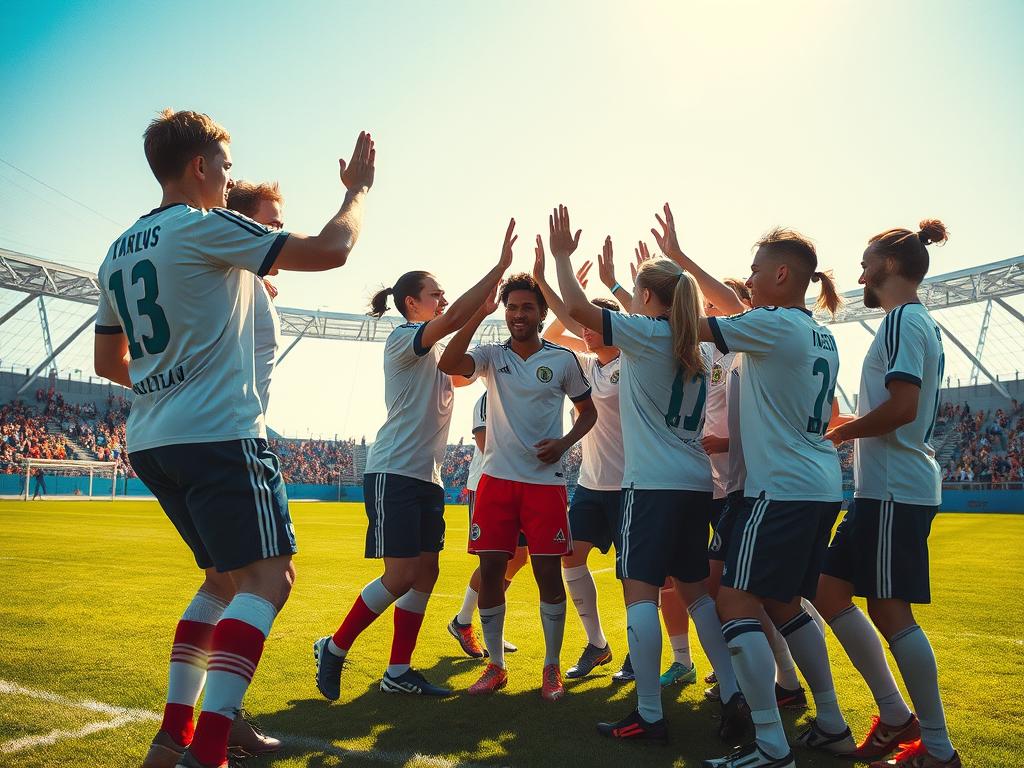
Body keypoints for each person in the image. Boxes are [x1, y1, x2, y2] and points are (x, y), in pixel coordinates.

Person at [95, 108, 375, 768]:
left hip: (154, 438)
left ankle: (174, 735)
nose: (227, 180)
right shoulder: (202, 226)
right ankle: (209, 750)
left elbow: (110, 366)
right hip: (217, 432)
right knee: (269, 580)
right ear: (198, 167)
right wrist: (358, 190)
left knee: (224, 579)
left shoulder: (117, 251)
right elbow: (333, 251)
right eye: (223, 167)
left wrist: (166, 378)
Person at [549, 205, 742, 744]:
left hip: (651, 486)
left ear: (649, 299)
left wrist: (563, 259)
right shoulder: (698, 343)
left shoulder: (646, 336)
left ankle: (651, 713)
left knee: (639, 594)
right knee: (698, 594)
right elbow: (634, 313)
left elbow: (577, 310)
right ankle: (732, 694)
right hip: (695, 481)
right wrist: (619, 279)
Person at [314, 222, 517, 699]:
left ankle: (397, 671)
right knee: (401, 574)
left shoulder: (437, 351)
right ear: (412, 304)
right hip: (394, 472)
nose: (442, 299)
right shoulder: (404, 338)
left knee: (427, 572)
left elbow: (460, 360)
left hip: (425, 478)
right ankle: (335, 646)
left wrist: (477, 314)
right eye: (435, 293)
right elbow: (449, 323)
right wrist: (498, 271)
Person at [684, 206, 850, 768]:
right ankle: (829, 722)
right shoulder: (816, 332)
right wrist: (686, 258)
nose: (748, 279)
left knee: (732, 602)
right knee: (783, 603)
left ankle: (769, 744)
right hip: (817, 485)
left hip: (780, 490)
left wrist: (663, 293)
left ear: (781, 275)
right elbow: (732, 308)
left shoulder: (773, 324)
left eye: (755, 269)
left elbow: (698, 326)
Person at [818, 220, 960, 768]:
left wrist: (841, 433)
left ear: (890, 266)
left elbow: (902, 410)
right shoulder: (913, 321)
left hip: (894, 490)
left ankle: (938, 749)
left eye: (866, 259)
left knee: (889, 609)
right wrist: (844, 422)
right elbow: (901, 408)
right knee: (828, 591)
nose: (859, 270)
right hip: (886, 490)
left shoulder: (902, 319)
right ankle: (896, 717)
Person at [438, 261, 597, 701]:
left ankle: (551, 667)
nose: (518, 314)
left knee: (548, 573)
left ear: (542, 313)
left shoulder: (562, 359)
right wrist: (477, 313)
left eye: (527, 307)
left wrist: (564, 442)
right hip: (496, 482)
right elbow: (449, 362)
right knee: (491, 572)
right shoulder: (493, 356)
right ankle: (496, 665)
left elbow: (590, 413)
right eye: (511, 308)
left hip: (545, 485)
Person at [534, 251, 623, 680]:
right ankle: (598, 644)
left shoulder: (637, 363)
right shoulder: (588, 365)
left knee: (636, 579)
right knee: (571, 560)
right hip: (591, 483)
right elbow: (552, 332)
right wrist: (563, 288)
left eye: (591, 325)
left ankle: (640, 651)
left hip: (632, 485)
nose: (584, 333)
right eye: (582, 326)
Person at [447, 391, 528, 659]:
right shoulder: (487, 398)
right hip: (487, 486)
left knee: (518, 558)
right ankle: (465, 622)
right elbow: (485, 445)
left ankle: (482, 623)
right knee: (492, 562)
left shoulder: (521, 395)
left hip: (517, 485)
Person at [226, 181, 284, 415]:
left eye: (281, 226)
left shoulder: (248, 280)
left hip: (239, 427)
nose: (279, 235)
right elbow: (331, 250)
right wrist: (356, 190)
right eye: (271, 225)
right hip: (231, 429)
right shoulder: (229, 276)